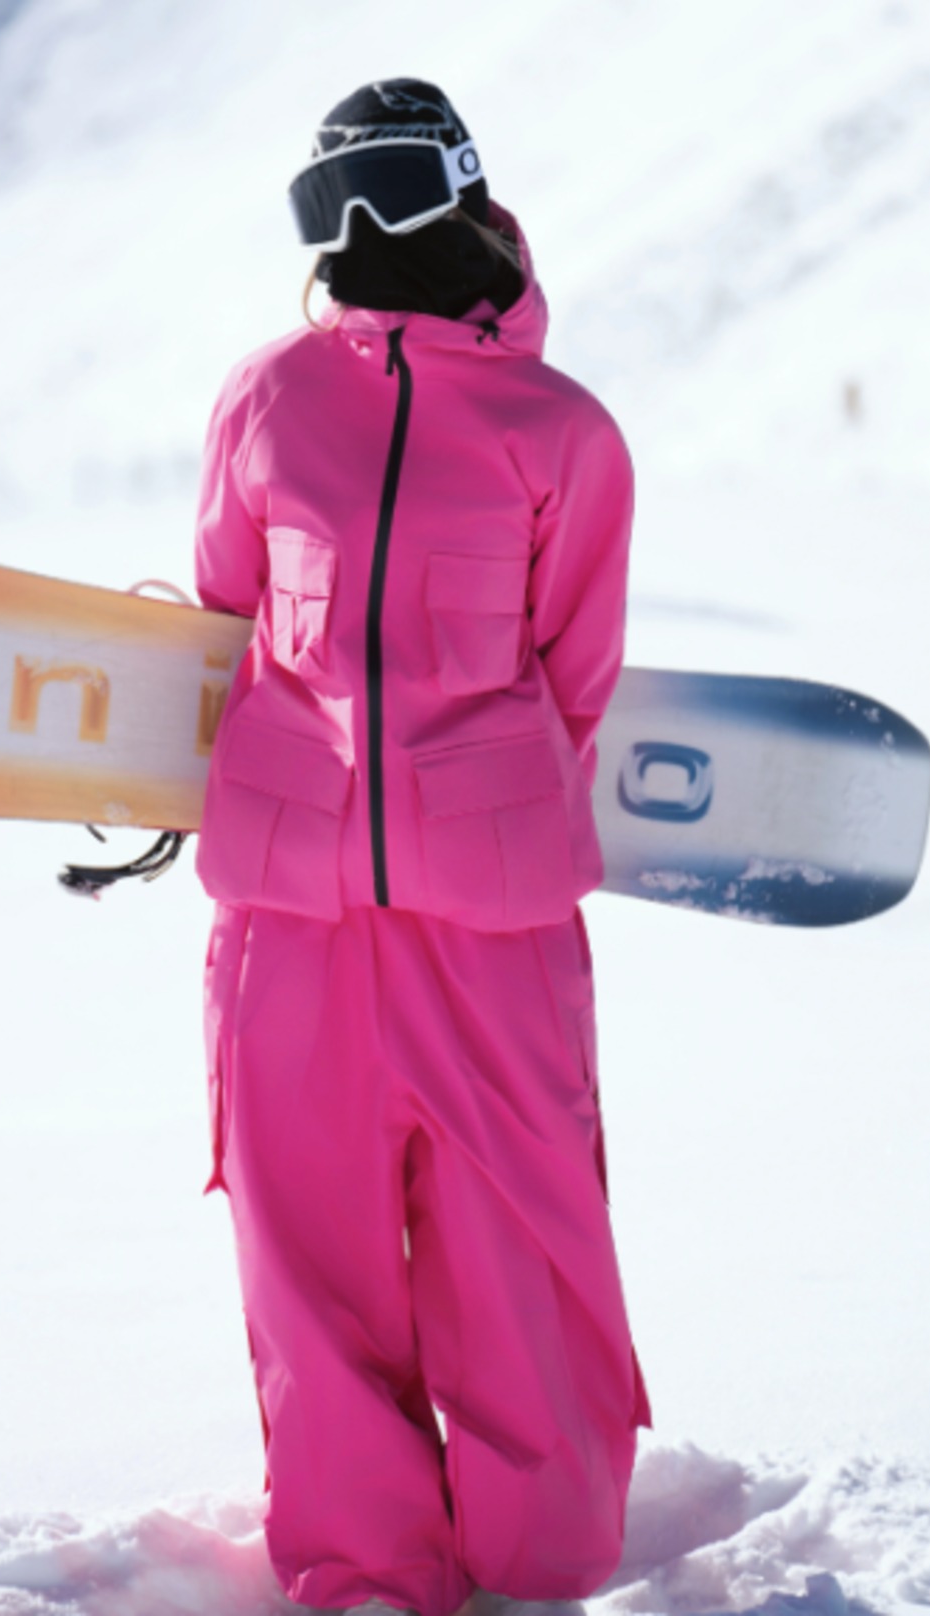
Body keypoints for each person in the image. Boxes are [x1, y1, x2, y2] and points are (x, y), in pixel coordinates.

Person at [193, 79, 650, 1616]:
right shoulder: (267, 398)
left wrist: (476, 812)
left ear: (456, 194)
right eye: (336, 201)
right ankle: (368, 1569)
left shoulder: (562, 431)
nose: (360, 233)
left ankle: (541, 1563)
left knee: (520, 1246)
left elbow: (575, 673)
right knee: (306, 1252)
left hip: (488, 925)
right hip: (289, 912)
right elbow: (226, 609)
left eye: (387, 190)